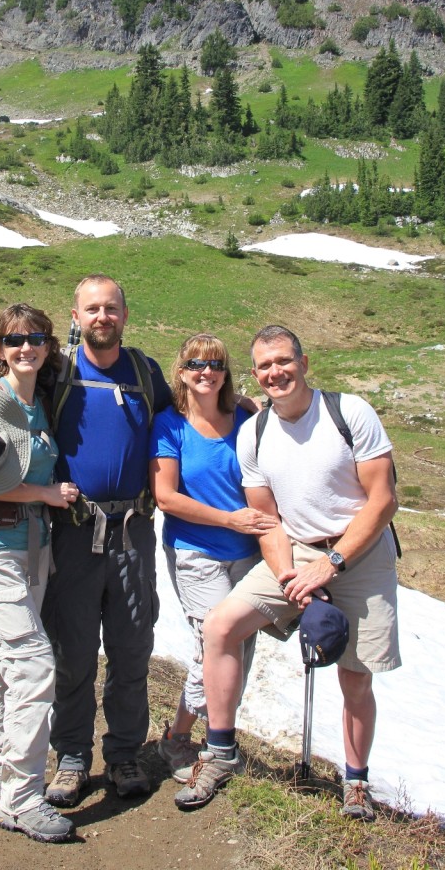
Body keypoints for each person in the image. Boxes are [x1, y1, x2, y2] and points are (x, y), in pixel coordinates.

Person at [0, 275, 172, 807]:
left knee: (131, 647)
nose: (103, 316)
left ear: (125, 313)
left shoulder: (146, 372)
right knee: (72, 650)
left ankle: (122, 754)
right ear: (76, 317)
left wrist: (249, 412)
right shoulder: (59, 368)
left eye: (111, 308)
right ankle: (72, 755)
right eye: (92, 308)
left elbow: (189, 414)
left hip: (133, 531)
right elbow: (4, 365)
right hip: (72, 532)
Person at [175, 325, 400, 820]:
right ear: (254, 375)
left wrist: (332, 564)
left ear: (304, 361)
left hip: (358, 554)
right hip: (294, 552)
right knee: (220, 627)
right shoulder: (254, 433)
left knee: (355, 676)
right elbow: (267, 519)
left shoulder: (349, 412)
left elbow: (383, 500)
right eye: (264, 366)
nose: (276, 373)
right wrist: (293, 581)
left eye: (283, 361)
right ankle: (220, 752)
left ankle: (356, 783)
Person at [0, 303, 79, 843]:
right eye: (13, 340)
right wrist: (46, 493)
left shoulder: (40, 397)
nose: (25, 348)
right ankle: (21, 800)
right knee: (31, 661)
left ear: (48, 345)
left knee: (3, 655)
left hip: (34, 547)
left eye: (35, 339)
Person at [149, 334, 275, 784]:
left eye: (215, 363)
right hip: (197, 553)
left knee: (236, 652)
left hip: (249, 556)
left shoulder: (247, 416)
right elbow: (166, 497)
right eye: (196, 364)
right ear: (181, 372)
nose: (206, 371)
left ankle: (202, 738)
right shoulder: (169, 424)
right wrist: (229, 520)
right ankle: (189, 740)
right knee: (215, 649)